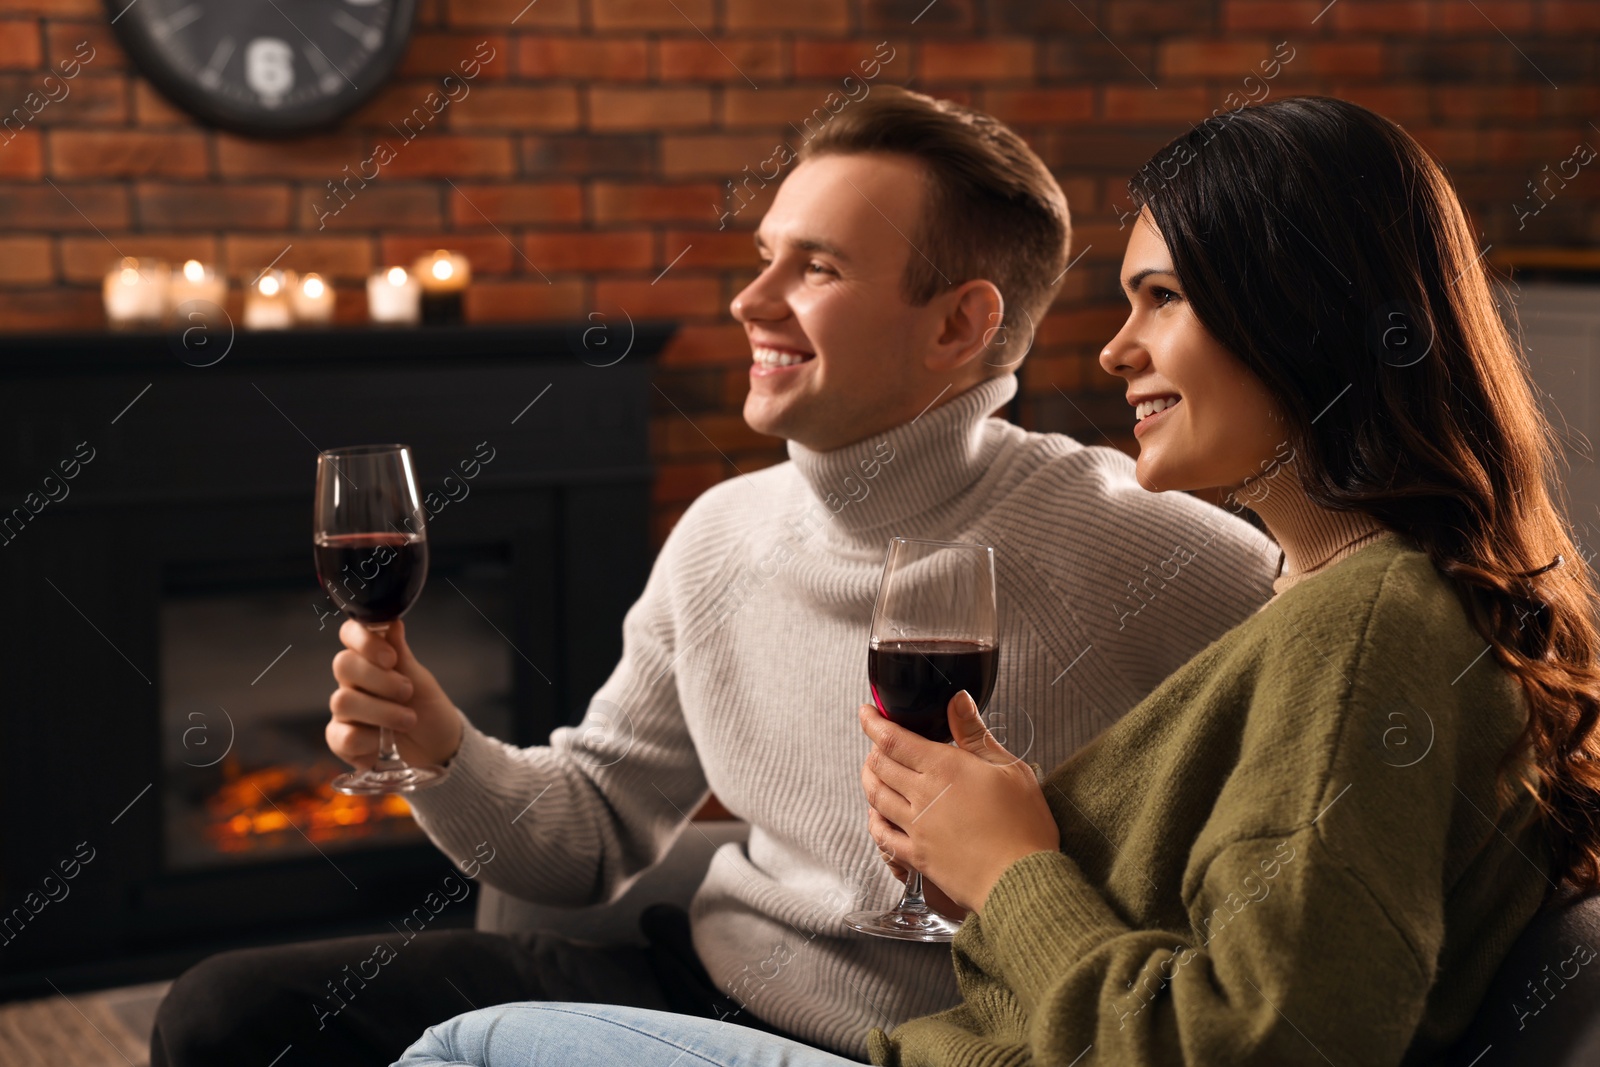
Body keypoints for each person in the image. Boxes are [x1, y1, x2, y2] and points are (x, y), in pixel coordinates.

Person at [388, 94, 1600, 1067]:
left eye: (1161, 299)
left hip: (927, 1043)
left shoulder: (1345, 613)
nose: (1117, 347)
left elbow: (1263, 1036)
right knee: (251, 1011)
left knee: (459, 1046)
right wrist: (436, 747)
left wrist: (1009, 869)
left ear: (1304, 317)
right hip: (848, 1008)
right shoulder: (1326, 596)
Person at [149, 87, 1282, 1066]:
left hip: (931, 1040)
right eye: (763, 260)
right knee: (228, 1013)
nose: (749, 302)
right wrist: (441, 747)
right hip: (696, 979)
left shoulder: (1168, 551)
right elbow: (589, 832)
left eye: (817, 267)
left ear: (959, 324)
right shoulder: (721, 534)